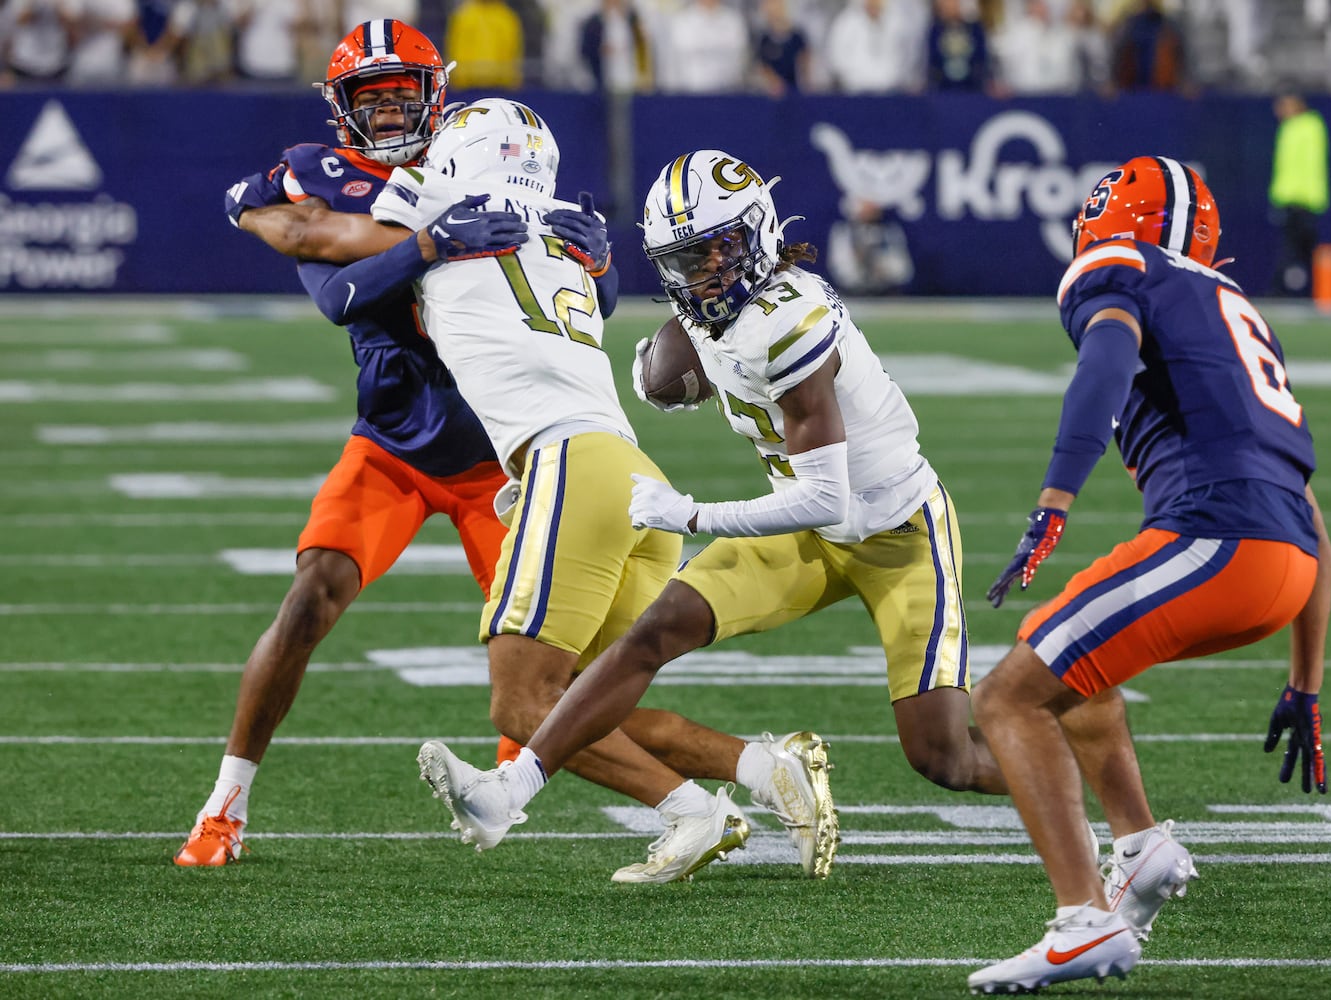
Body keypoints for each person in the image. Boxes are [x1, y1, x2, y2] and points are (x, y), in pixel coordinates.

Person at [260, 106, 838, 885]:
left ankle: (689, 812)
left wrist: (412, 237)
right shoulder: (563, 230)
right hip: (629, 475)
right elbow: (593, 293)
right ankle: (764, 769)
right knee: (587, 710)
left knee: (519, 705)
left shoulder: (439, 218)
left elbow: (335, 284)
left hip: (570, 466)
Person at [414, 148, 1015, 866]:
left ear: (755, 233)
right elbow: (673, 376)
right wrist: (661, 377)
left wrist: (690, 514)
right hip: (809, 534)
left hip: (896, 534)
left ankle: (1082, 782)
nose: (701, 274)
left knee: (943, 757)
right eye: (683, 260)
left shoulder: (792, 321)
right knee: (654, 631)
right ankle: (509, 789)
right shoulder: (712, 316)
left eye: (715, 252)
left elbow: (826, 497)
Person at [965, 155, 1331, 993]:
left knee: (1005, 699)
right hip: (1287, 567)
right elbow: (1314, 518)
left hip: (1217, 541)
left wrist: (1053, 496)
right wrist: (1304, 683)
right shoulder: (1230, 306)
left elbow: (1104, 364)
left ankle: (1082, 919)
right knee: (1073, 668)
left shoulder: (1118, 266)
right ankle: (1140, 848)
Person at [173, 19, 528, 869]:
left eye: (405, 92)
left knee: (546, 662)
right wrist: (424, 244)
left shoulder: (479, 153)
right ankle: (224, 804)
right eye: (374, 98)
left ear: (435, 92)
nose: (393, 110)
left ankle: (559, 786)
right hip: (395, 441)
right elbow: (308, 258)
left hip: (505, 450)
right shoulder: (322, 171)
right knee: (307, 600)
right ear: (342, 111)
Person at [1269, 92, 1328, 296]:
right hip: (1295, 198)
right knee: (1297, 250)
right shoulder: (1293, 127)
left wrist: (1293, 196)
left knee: (1296, 250)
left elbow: (1302, 167)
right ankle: (1300, 291)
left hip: (1301, 199)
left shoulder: (1305, 127)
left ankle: (1288, 292)